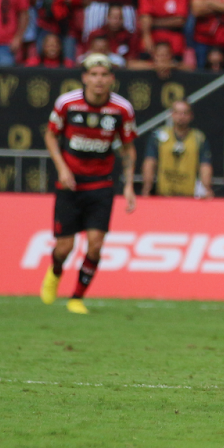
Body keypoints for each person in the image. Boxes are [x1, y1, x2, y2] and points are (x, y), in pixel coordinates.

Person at [38, 55, 137, 314]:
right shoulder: (67, 103)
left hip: (101, 185)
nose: (99, 80)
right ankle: (55, 271)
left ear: (112, 79)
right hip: (70, 185)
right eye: (94, 74)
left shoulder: (122, 109)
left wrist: (128, 185)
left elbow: (127, 148)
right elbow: (50, 135)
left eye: (104, 75)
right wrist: (61, 167)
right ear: (84, 77)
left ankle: (76, 298)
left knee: (95, 244)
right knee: (64, 247)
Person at [141, 98, 213, 198]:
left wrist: (207, 188)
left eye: (185, 113)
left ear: (191, 115)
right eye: (177, 113)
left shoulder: (198, 138)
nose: (181, 116)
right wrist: (147, 187)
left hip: (189, 196)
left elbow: (205, 166)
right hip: (163, 195)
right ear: (171, 114)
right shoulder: (159, 135)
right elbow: (150, 162)